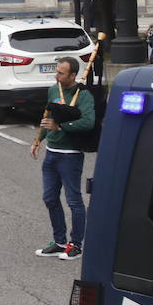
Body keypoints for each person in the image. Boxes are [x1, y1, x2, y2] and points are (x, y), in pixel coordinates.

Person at [32, 56, 95, 261]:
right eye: (56, 71)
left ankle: (75, 245)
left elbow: (88, 122)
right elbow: (48, 117)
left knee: (74, 200)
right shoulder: (53, 90)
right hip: (52, 153)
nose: (56, 75)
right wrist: (38, 140)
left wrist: (62, 127)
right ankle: (59, 242)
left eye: (61, 73)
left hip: (70, 155)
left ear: (73, 75)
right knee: (49, 198)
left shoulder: (83, 95)